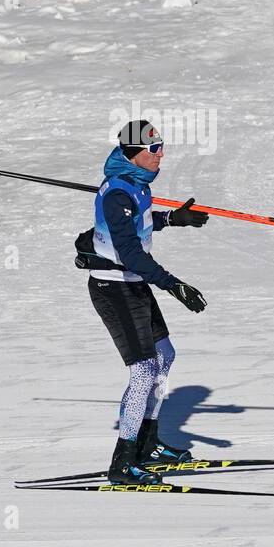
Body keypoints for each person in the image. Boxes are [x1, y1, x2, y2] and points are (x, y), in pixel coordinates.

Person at [87, 120, 209, 485]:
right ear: (131, 154)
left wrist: (173, 218)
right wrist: (174, 285)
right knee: (142, 371)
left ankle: (148, 445)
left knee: (165, 355)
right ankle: (122, 464)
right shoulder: (119, 194)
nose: (161, 154)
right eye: (153, 149)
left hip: (134, 285)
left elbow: (139, 222)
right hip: (114, 288)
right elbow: (129, 253)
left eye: (161, 146)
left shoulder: (136, 186)